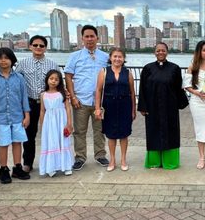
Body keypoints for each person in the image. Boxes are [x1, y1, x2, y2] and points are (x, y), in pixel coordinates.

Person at [64, 24, 109, 171]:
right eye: (86, 36)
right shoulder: (74, 56)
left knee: (100, 130)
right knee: (79, 131)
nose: (89, 39)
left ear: (97, 38)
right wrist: (73, 97)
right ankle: (80, 157)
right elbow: (68, 76)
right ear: (82, 38)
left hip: (99, 102)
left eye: (92, 36)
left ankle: (100, 155)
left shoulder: (105, 57)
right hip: (81, 101)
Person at [138, 42, 188, 170]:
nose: (160, 52)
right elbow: (142, 88)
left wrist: (182, 103)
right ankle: (154, 162)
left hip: (169, 107)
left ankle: (170, 162)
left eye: (163, 50)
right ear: (154, 52)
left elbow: (178, 88)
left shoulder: (175, 68)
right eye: (158, 50)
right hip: (152, 107)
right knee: (153, 132)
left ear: (167, 52)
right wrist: (143, 107)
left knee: (171, 133)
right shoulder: (147, 68)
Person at [15, 35, 59, 174]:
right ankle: (28, 163)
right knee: (29, 134)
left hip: (50, 104)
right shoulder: (23, 63)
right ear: (30, 47)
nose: (38, 48)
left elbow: (59, 83)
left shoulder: (52, 64)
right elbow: (16, 82)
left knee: (53, 132)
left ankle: (55, 162)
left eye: (41, 46)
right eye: (35, 45)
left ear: (45, 48)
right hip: (31, 103)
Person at [0, 48, 30, 184]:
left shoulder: (19, 77)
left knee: (18, 142)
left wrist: (26, 115)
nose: (3, 61)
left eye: (6, 58)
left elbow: (24, 97)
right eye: (0, 58)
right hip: (0, 117)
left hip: (17, 116)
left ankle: (17, 167)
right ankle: (3, 169)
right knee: (3, 143)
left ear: (12, 60)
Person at [95, 48, 136, 172]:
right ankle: (112, 159)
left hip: (125, 106)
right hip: (109, 106)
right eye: (115, 56)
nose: (117, 59)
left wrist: (133, 110)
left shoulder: (128, 73)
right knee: (111, 135)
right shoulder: (104, 71)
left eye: (120, 57)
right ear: (110, 58)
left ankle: (123, 159)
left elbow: (132, 93)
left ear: (123, 59)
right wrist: (97, 108)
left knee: (124, 134)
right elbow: (98, 90)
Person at [183, 41, 205, 169]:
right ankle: (202, 157)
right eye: (204, 50)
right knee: (200, 129)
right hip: (197, 102)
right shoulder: (193, 66)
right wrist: (197, 93)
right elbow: (186, 86)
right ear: (199, 52)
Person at [38, 70, 74, 177]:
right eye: (51, 79)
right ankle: (51, 167)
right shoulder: (43, 94)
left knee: (63, 141)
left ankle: (66, 166)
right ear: (47, 80)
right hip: (49, 123)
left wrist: (69, 123)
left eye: (56, 79)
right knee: (51, 142)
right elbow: (42, 110)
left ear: (59, 82)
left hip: (61, 121)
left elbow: (68, 108)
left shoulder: (62, 93)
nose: (53, 81)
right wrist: (42, 124)